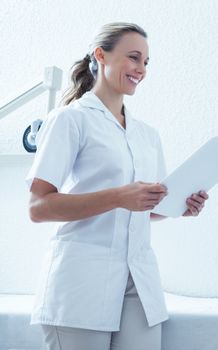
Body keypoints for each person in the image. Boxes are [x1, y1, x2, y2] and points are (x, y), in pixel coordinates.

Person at [26, 22, 208, 350]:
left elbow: (143, 210)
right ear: (101, 56)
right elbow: (38, 207)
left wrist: (180, 205)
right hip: (81, 280)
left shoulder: (147, 135)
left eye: (146, 62)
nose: (141, 69)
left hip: (138, 280)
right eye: (134, 58)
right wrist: (119, 197)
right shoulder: (70, 119)